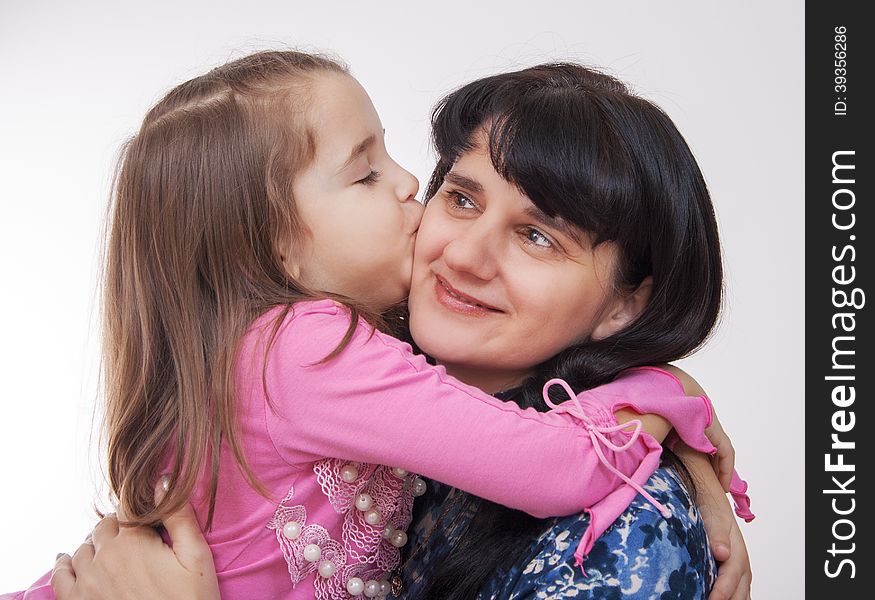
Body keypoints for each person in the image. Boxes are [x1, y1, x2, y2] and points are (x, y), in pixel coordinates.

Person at [1, 52, 739, 600]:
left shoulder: (627, 544)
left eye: (538, 235)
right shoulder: (315, 348)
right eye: (461, 198)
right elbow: (559, 460)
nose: (412, 187)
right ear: (271, 240)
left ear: (625, 302)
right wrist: (660, 406)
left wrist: (672, 404)